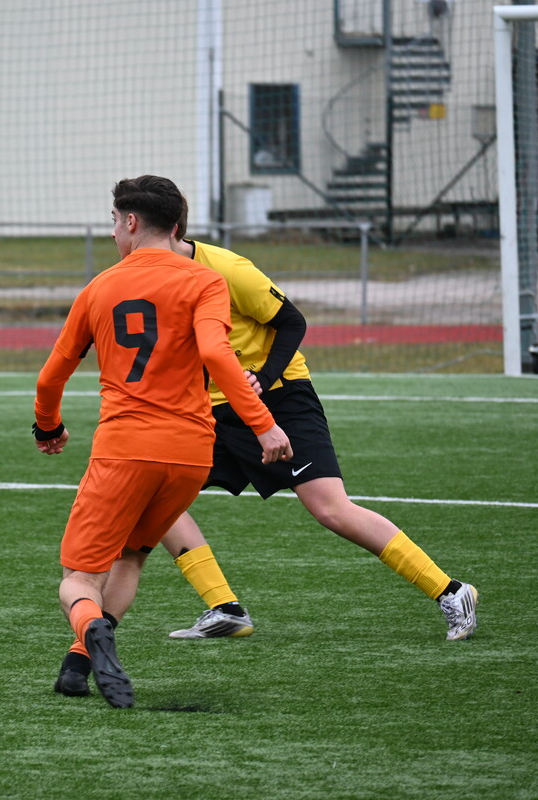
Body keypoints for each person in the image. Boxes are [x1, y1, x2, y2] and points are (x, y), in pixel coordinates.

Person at [155, 213, 479, 643]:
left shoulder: (227, 268)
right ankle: (225, 609)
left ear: (151, 227)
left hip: (280, 397)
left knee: (331, 509)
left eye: (118, 221)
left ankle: (451, 591)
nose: (114, 232)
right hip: (211, 410)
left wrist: (264, 378)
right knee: (156, 495)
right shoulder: (147, 279)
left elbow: (293, 321)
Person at [33, 175, 292, 708]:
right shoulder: (205, 280)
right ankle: (77, 666)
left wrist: (49, 426)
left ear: (132, 222)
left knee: (78, 579)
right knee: (131, 557)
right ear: (177, 227)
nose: (112, 233)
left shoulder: (99, 288)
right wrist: (263, 424)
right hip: (191, 453)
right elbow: (218, 355)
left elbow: (51, 375)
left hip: (125, 447)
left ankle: (92, 628)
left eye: (113, 222)